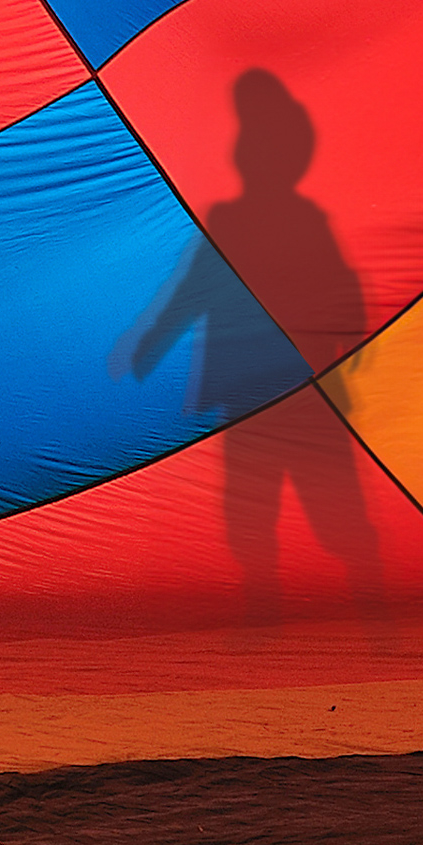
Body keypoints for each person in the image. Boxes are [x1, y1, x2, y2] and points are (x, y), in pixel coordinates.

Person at [119, 70, 378, 624]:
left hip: (296, 387)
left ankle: (367, 600)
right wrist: (149, 345)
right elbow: (192, 292)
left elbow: (337, 293)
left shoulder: (302, 222)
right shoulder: (232, 220)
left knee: (324, 502)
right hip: (256, 391)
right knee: (256, 508)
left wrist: (354, 340)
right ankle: (273, 606)